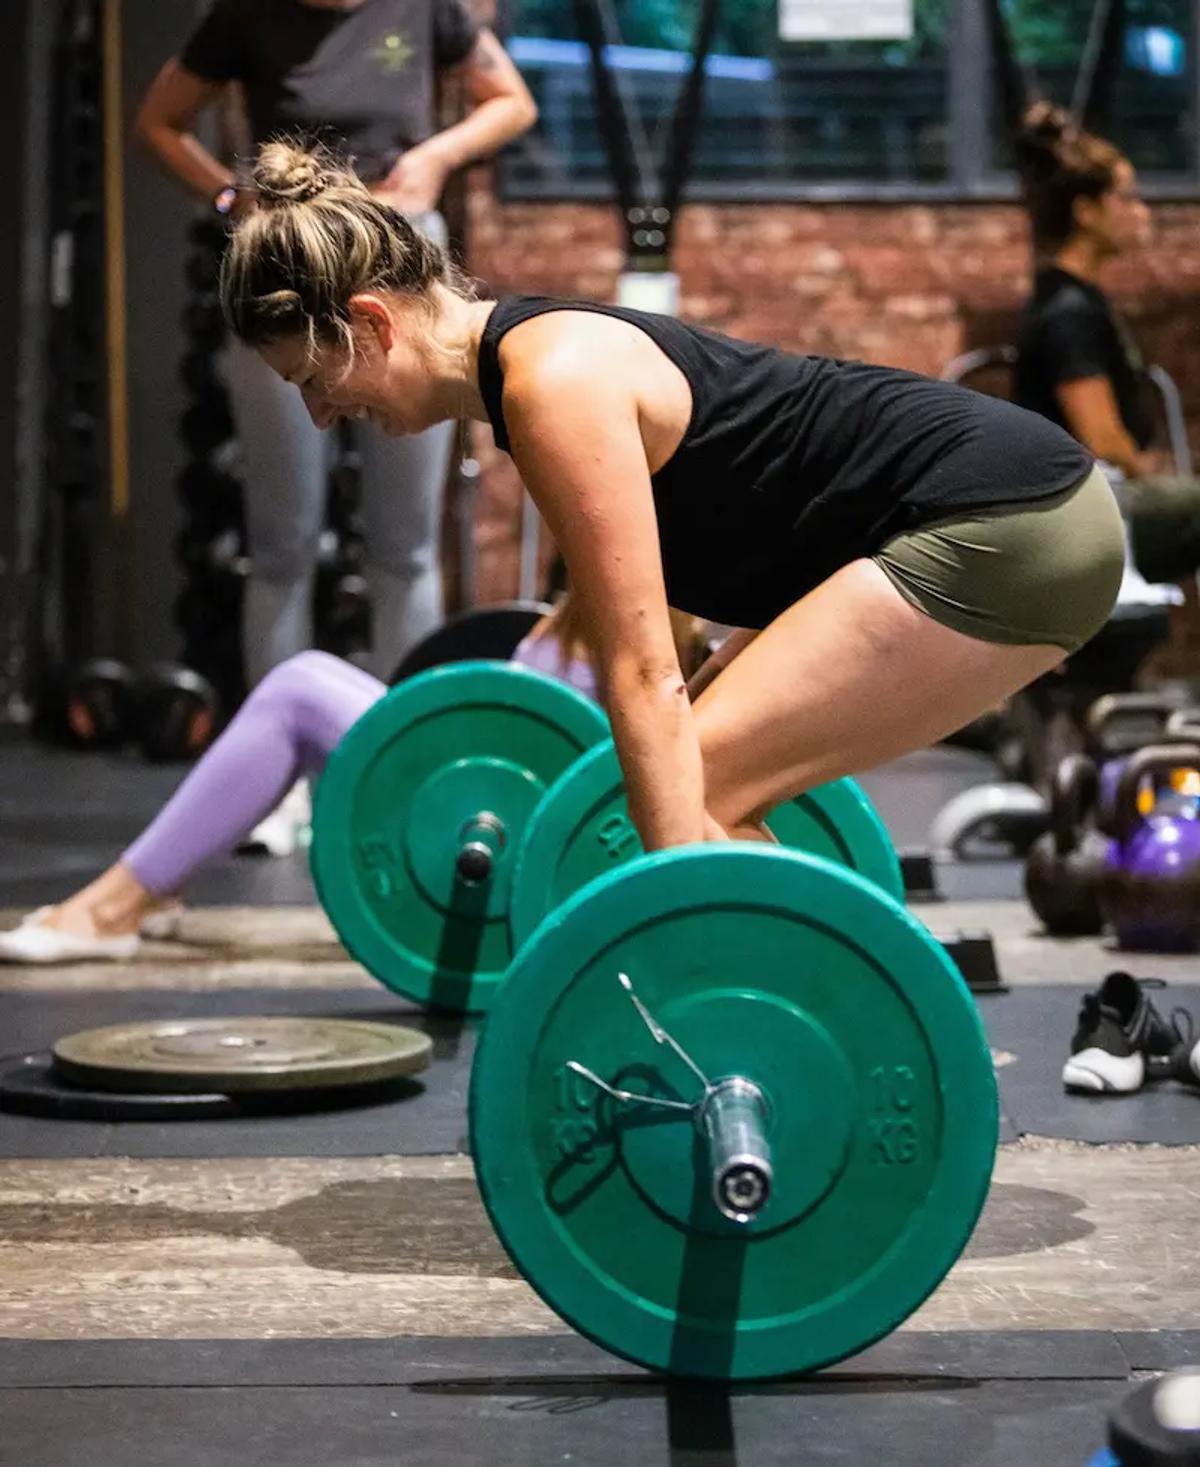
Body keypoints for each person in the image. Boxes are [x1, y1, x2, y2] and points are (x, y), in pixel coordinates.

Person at [214, 141, 1126, 854]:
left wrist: (658, 908)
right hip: (1017, 511)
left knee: (697, 788)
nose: (323, 414)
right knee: (700, 784)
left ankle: (855, 1037)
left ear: (371, 324)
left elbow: (643, 674)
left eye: (314, 376)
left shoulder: (550, 385)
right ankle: (846, 1030)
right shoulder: (530, 369)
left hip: (1004, 525)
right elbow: (686, 628)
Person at [136, 0, 537, 683]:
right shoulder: (246, 16)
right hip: (289, 267)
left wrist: (435, 157)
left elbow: (511, 102)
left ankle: (398, 764)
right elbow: (158, 123)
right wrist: (230, 201)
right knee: (281, 543)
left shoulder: (422, 8)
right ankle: (284, 765)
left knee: (404, 545)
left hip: (397, 259)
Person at [0, 605, 602, 963]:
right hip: (501, 784)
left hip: (540, 834)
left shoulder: (663, 592)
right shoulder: (610, 560)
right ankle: (142, 893)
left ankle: (114, 910)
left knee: (298, 693)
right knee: (306, 680)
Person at [1013, 103, 1159, 482]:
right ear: (1087, 212)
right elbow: (1102, 440)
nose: (1142, 213)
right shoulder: (1069, 312)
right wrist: (1153, 475)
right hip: (1090, 498)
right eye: (1127, 198)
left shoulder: (1076, 299)